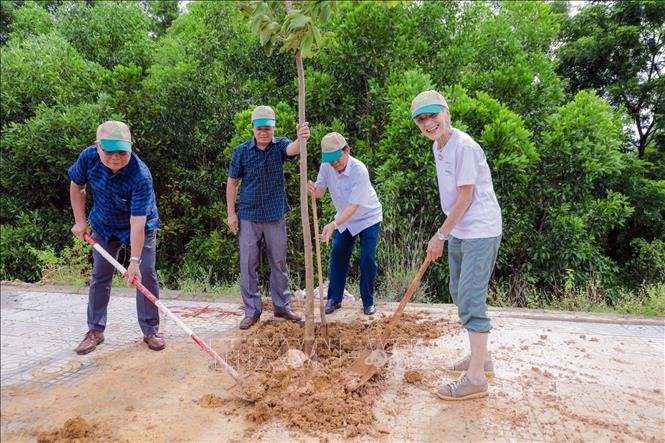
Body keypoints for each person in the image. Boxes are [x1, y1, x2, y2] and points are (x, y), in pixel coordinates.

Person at [411, 90, 502, 400]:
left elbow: (465, 198)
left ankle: (476, 378)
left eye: (432, 115)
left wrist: (440, 235)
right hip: (461, 229)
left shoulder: (464, 146)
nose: (428, 123)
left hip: (480, 229)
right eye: (421, 119)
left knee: (471, 298)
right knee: (458, 292)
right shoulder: (440, 146)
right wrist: (448, 232)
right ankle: (483, 358)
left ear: (445, 112)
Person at [69, 120, 164, 354]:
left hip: (138, 225)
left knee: (145, 275)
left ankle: (150, 330)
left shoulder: (140, 175)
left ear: (130, 148)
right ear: (98, 146)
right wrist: (80, 221)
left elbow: (137, 222)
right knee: (100, 276)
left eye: (122, 152)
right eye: (109, 151)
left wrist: (134, 262)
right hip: (104, 224)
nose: (115, 157)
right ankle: (95, 330)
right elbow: (76, 186)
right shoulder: (88, 158)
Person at [227, 105, 310, 329]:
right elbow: (232, 183)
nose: (264, 132)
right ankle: (252, 311)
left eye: (268, 128)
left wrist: (301, 137)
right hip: (248, 215)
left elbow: (294, 149)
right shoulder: (241, 151)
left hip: (274, 214)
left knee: (279, 261)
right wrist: (231, 214)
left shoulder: (280, 145)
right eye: (260, 128)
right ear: (253, 129)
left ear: (274, 129)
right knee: (248, 264)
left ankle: (282, 306)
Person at [307, 132, 383, 316]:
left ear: (347, 150)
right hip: (344, 217)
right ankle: (334, 298)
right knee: (338, 253)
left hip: (367, 217)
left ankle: (368, 301)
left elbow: (354, 206)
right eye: (330, 161)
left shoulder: (359, 170)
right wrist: (312, 190)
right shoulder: (327, 166)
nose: (335, 164)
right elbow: (320, 192)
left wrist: (333, 225)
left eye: (337, 159)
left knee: (367, 259)